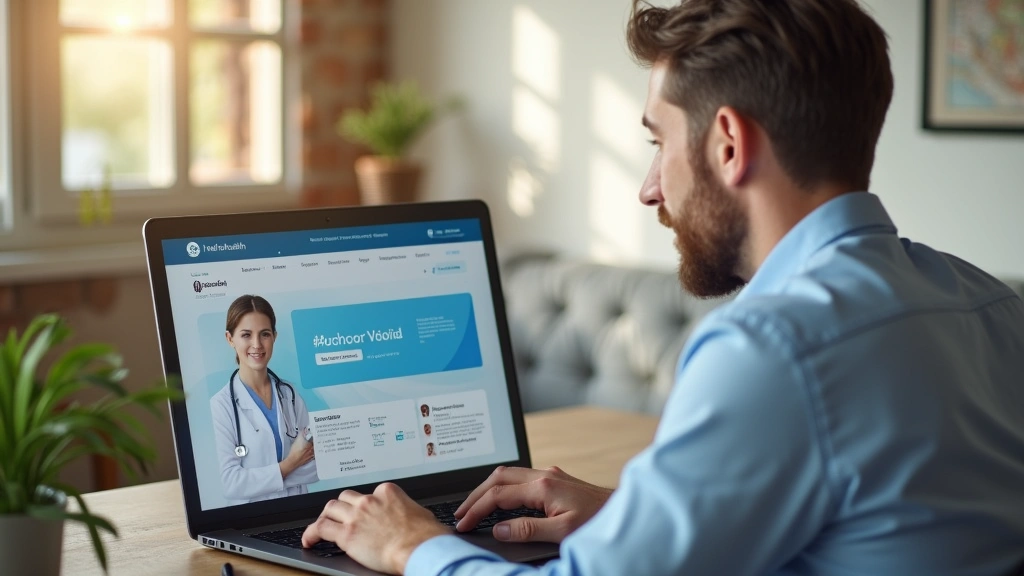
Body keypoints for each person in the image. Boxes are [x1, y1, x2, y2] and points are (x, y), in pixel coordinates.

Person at [299, 1, 1024, 574]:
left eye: (658, 142)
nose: (650, 189)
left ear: (729, 145)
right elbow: (861, 525)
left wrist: (408, 546)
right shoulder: (989, 306)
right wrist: (635, 516)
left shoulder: (773, 347)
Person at [210, 295, 319, 505]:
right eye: (246, 335)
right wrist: (291, 464)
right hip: (252, 521)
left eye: (265, 334)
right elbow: (232, 483)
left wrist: (260, 479)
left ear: (274, 337)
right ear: (230, 339)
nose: (257, 344)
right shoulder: (221, 405)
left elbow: (317, 467)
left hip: (299, 513)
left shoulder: (290, 394)